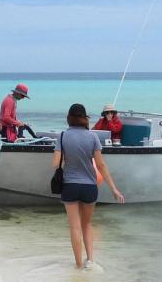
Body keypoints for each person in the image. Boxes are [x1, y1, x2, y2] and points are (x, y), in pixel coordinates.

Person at [52, 103, 124, 269]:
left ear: (69, 118)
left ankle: (78, 265)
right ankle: (90, 260)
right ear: (85, 118)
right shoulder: (92, 137)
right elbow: (101, 166)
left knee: (74, 227)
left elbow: (55, 163)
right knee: (87, 225)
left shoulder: (62, 136)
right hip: (89, 187)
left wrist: (67, 158)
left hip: (69, 186)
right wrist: (113, 189)